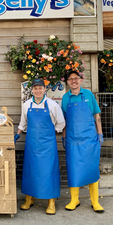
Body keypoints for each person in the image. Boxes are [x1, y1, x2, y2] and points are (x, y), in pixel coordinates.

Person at [14, 79, 65, 215]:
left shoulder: (52, 105)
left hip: (48, 145)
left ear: (44, 89)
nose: (38, 91)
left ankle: (51, 202)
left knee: (49, 172)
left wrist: (49, 134)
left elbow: (61, 123)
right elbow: (22, 123)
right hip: (31, 144)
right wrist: (17, 135)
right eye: (35, 88)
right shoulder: (26, 105)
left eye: (40, 88)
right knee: (30, 171)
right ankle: (28, 199)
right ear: (32, 90)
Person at [61, 71, 104, 213]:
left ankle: (95, 201)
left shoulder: (89, 95)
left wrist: (100, 134)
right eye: (71, 79)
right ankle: (74, 200)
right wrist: (64, 137)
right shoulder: (65, 98)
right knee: (73, 170)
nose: (74, 81)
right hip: (73, 140)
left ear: (80, 80)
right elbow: (64, 121)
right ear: (67, 82)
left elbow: (96, 115)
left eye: (76, 78)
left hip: (90, 139)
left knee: (92, 169)